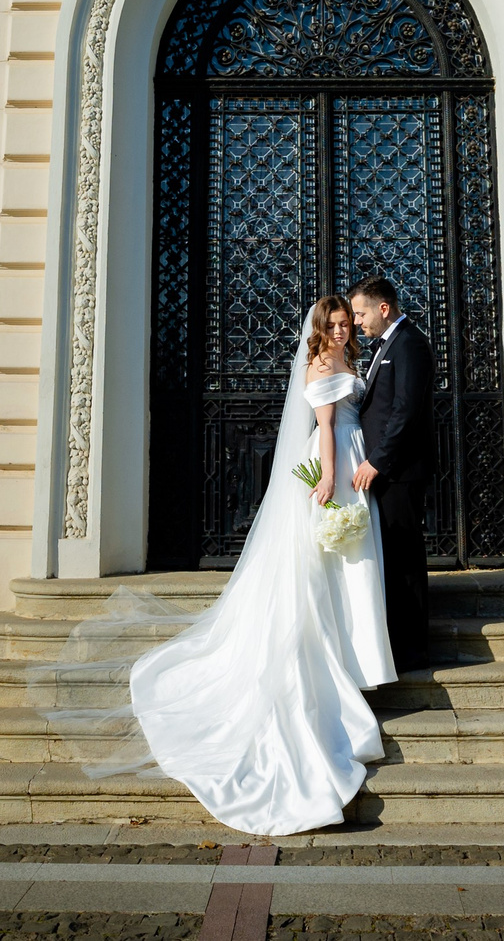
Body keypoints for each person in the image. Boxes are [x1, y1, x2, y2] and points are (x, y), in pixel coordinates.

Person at [92, 295, 394, 834]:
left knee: (341, 567)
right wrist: (327, 478)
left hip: (350, 455)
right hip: (333, 461)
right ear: (320, 329)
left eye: (349, 323)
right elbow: (325, 426)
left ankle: (352, 656)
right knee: (323, 567)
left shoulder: (348, 359)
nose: (345, 330)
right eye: (336, 324)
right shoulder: (323, 364)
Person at [347, 275, 435, 674]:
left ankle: (413, 651)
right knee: (392, 559)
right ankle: (393, 643)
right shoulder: (385, 346)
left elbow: (406, 412)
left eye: (361, 313)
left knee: (405, 560)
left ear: (384, 309)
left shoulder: (410, 344)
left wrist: (378, 461)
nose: (356, 322)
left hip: (399, 472)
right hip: (387, 472)